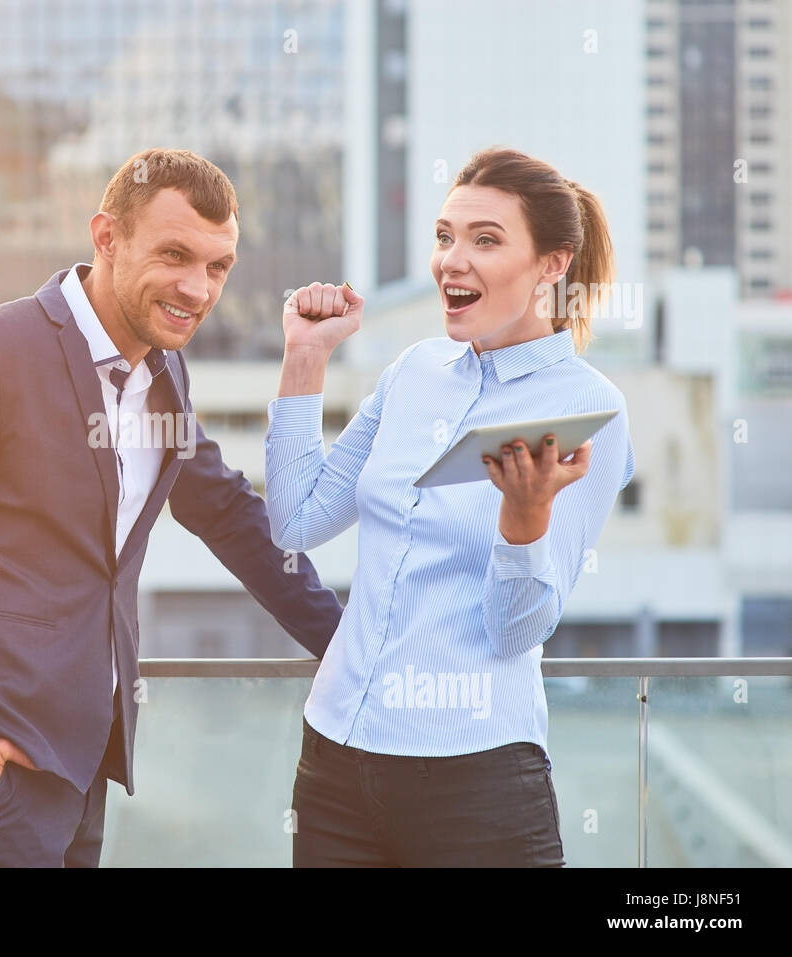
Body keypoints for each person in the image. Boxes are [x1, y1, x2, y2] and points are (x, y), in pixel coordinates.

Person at [0, 147, 342, 867]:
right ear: (107, 237)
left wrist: (357, 646)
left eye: (217, 266)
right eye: (175, 255)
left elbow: (231, 516)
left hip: (84, 767)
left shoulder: (164, 370)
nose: (197, 288)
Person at [266, 147, 636, 867]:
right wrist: (305, 358)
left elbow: (515, 630)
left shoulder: (590, 407)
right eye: (445, 236)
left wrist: (522, 522)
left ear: (552, 265)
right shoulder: (412, 373)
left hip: (477, 780)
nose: (451, 261)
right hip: (335, 762)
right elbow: (296, 520)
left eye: (486, 240)